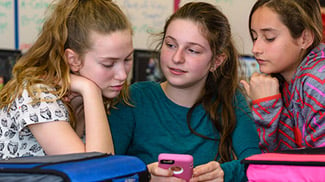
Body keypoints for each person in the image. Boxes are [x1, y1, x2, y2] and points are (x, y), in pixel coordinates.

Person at [109, 2, 260, 182]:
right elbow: (106, 170)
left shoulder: (231, 98)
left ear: (216, 61)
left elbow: (255, 164)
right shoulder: (134, 98)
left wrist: (224, 173)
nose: (176, 58)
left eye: (192, 50)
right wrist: (145, 176)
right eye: (171, 45)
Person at [0, 0, 133, 159]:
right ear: (74, 60)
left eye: (127, 59)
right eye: (108, 64)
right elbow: (95, 169)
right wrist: (90, 90)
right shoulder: (36, 95)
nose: (122, 75)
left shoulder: (100, 96)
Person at [240, 0, 325, 153]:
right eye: (254, 37)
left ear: (304, 38)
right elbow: (286, 158)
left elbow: (316, 164)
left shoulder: (318, 80)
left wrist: (267, 107)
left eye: (269, 37)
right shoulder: (283, 80)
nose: (255, 49)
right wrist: (267, 104)